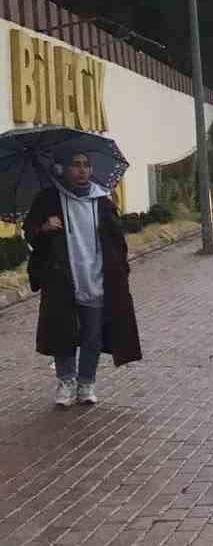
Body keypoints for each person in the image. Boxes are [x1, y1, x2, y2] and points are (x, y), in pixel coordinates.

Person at [24, 152, 142, 406]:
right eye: (75, 165)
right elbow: (30, 232)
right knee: (62, 332)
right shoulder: (49, 199)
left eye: (86, 165)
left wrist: (119, 270)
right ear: (64, 169)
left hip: (96, 278)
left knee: (93, 335)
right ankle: (66, 381)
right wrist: (43, 228)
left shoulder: (102, 201)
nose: (81, 170)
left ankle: (86, 383)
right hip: (62, 278)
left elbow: (116, 241)